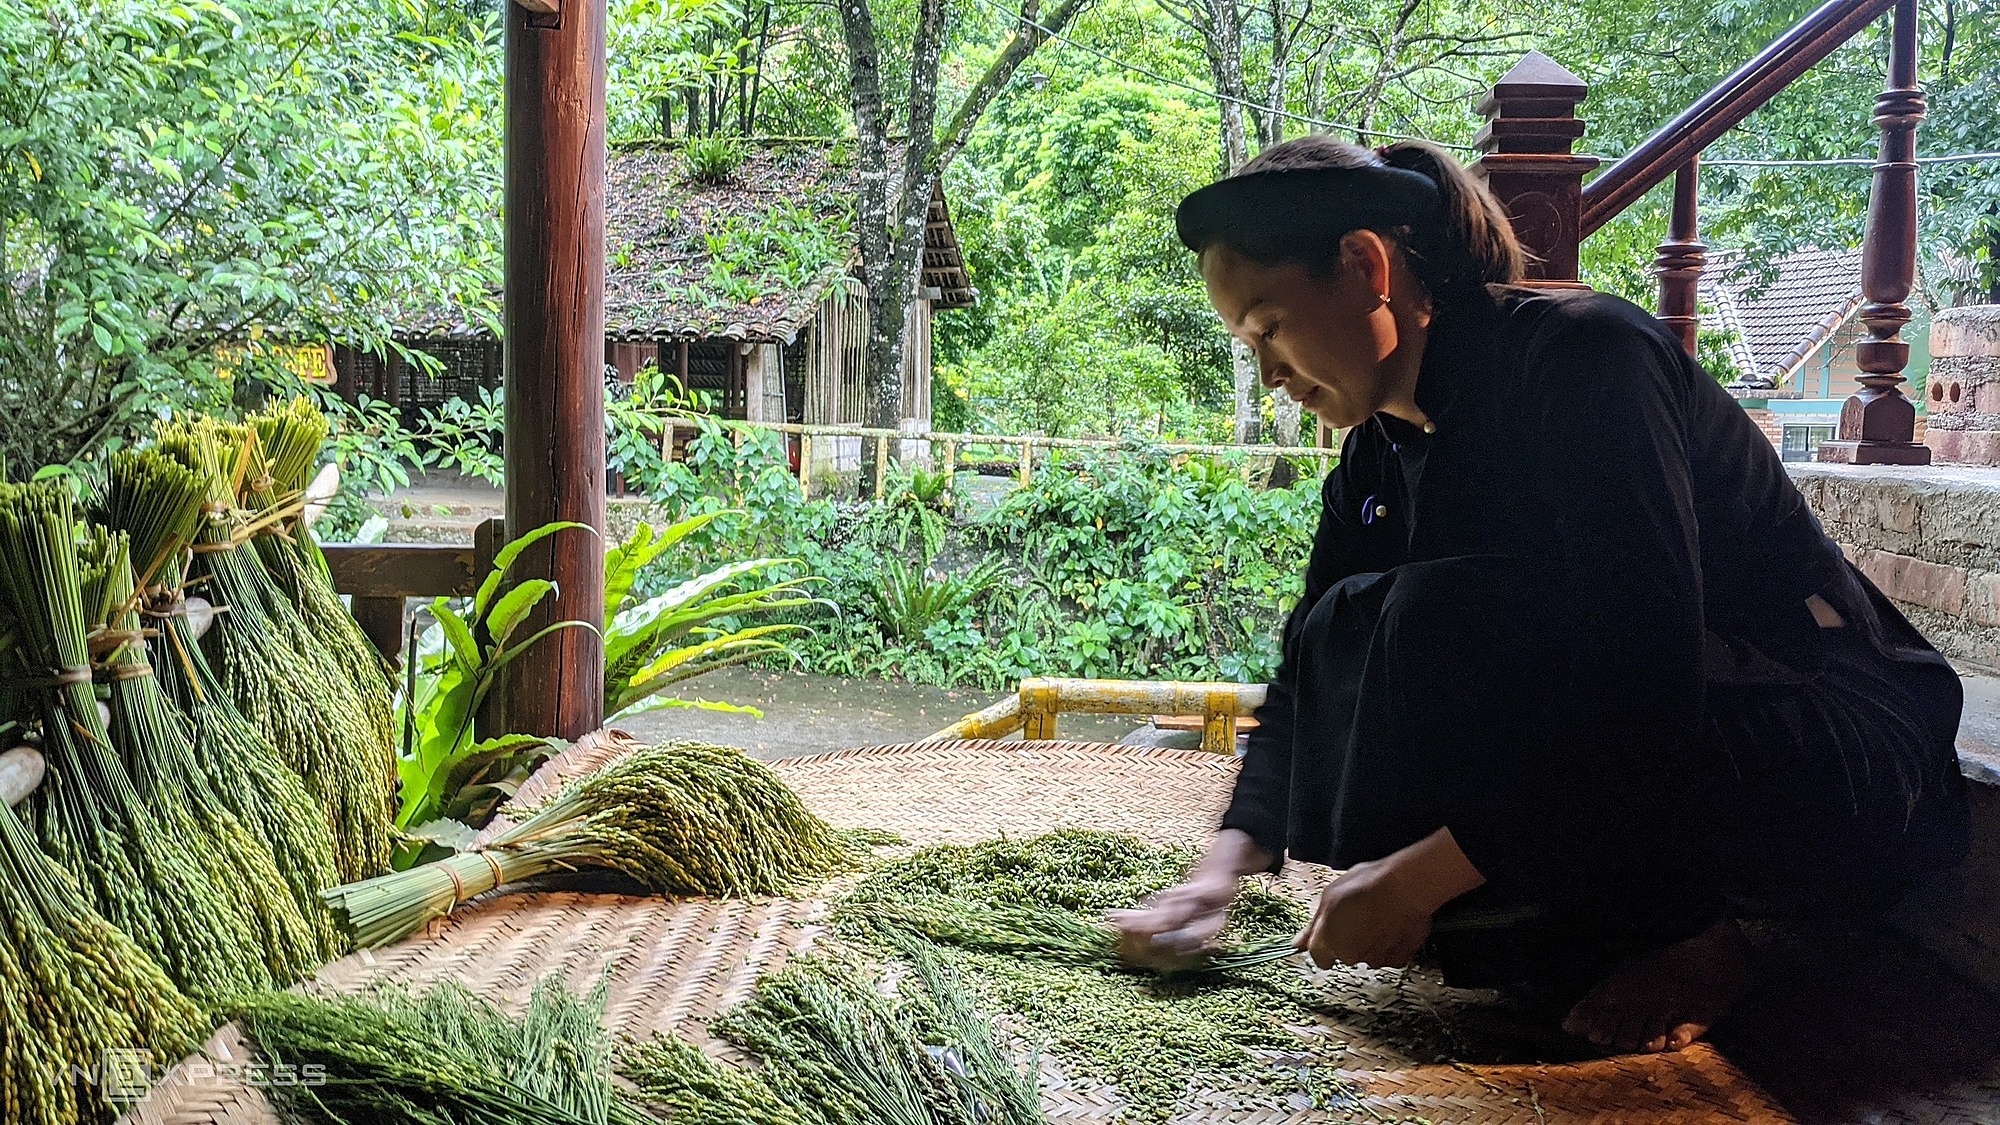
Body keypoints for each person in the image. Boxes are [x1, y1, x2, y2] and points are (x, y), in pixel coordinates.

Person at [1109, 135, 1970, 1055]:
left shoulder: (1586, 360)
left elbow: (1645, 685)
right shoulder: (1373, 451)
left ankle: (1692, 935)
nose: (1270, 374)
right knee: (1351, 622)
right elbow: (1304, 677)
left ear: (1366, 265)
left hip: (1827, 757)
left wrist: (1418, 877)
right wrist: (1221, 870)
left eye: (1271, 327)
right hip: (1669, 748)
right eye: (1248, 343)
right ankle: (1561, 919)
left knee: (1454, 616)